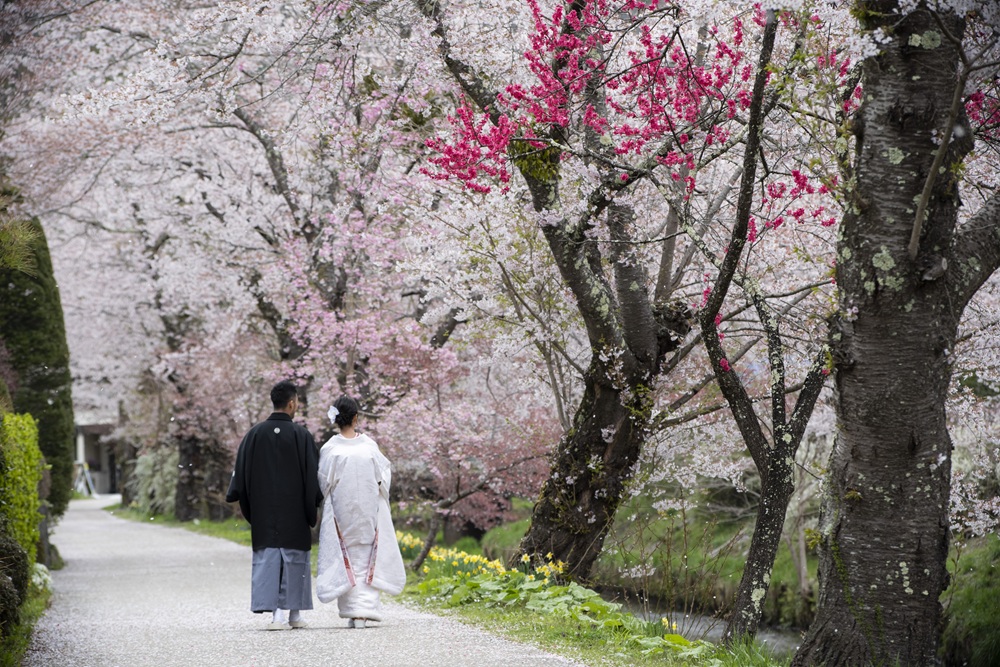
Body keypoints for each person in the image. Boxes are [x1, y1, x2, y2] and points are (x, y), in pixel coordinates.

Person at [226, 380, 323, 630]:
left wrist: (251, 503)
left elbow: (241, 476)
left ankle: (276, 615)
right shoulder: (302, 436)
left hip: (264, 510)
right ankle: (294, 614)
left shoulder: (254, 435)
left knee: (269, 557)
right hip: (294, 512)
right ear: (292, 403)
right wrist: (312, 503)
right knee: (294, 558)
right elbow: (313, 477)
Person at [315, 395, 405, 628]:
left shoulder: (330, 449)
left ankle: (352, 611)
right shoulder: (369, 446)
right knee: (367, 557)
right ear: (356, 418)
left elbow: (324, 483)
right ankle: (364, 612)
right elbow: (383, 478)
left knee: (346, 556)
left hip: (342, 509)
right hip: (368, 509)